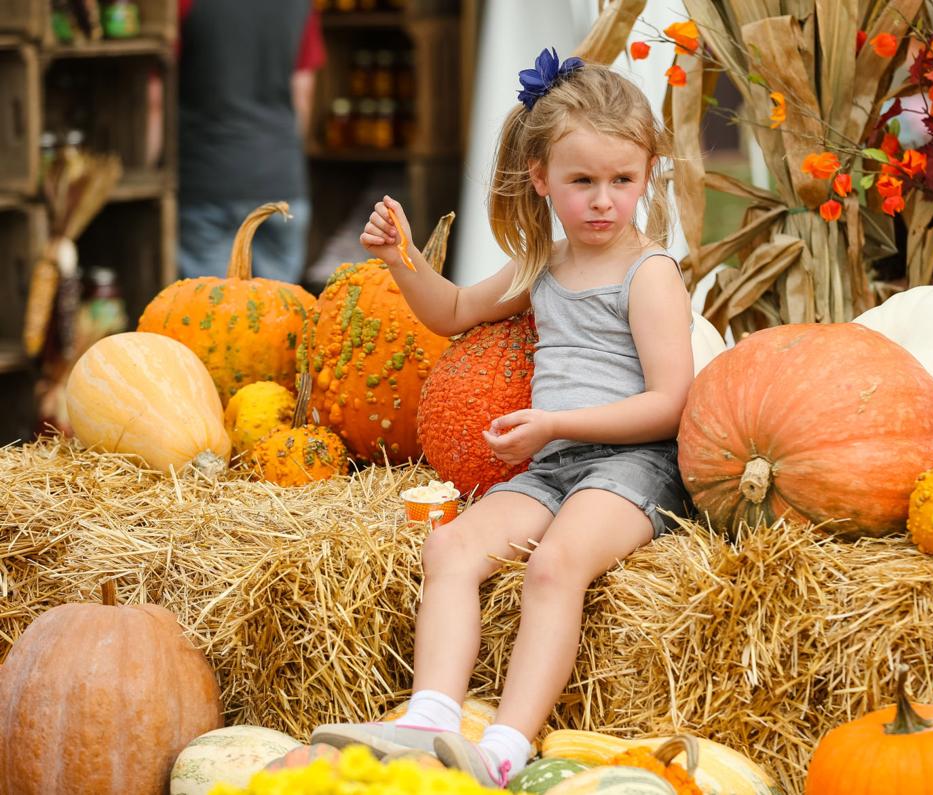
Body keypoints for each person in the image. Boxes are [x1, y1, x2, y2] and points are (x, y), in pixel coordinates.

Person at [310, 49, 694, 787]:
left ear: (648, 174)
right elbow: (451, 312)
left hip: (633, 466)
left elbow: (668, 402)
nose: (604, 201)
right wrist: (401, 260)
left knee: (556, 566)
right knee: (452, 549)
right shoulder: (542, 265)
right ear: (543, 179)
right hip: (553, 464)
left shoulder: (650, 276)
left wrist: (555, 423)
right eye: (583, 182)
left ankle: (508, 745)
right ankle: (430, 715)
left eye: (623, 180)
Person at [175, 0, 325, 283]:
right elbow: (302, 93)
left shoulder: (183, 4)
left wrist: (147, 162)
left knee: (209, 315)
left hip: (207, 178)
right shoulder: (298, 5)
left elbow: (155, 97)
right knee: (279, 313)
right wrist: (284, 158)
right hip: (280, 180)